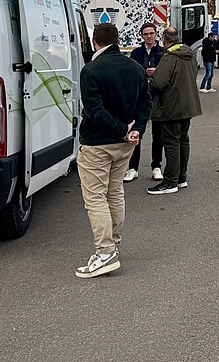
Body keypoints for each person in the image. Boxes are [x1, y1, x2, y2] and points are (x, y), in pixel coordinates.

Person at [75, 23, 152, 278]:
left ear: (95, 42)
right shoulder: (136, 68)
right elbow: (145, 102)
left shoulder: (91, 70)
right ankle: (114, 246)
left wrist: (120, 129)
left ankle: (105, 253)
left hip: (97, 144)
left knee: (96, 198)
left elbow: (94, 111)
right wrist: (135, 130)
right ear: (117, 41)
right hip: (125, 146)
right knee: (115, 192)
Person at [147, 27, 203, 195]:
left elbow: (159, 82)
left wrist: (152, 79)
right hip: (188, 105)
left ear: (164, 40)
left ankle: (170, 181)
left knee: (171, 143)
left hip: (171, 107)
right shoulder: (188, 54)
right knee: (183, 140)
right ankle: (181, 177)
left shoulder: (169, 57)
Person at [125, 22, 166, 183]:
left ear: (156, 35)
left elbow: (168, 74)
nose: (149, 36)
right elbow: (131, 73)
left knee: (158, 134)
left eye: (151, 33)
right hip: (140, 98)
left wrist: (157, 72)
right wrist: (143, 71)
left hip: (157, 97)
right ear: (141, 36)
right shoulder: (136, 53)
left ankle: (156, 166)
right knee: (136, 132)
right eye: (146, 34)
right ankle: (133, 168)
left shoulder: (162, 53)